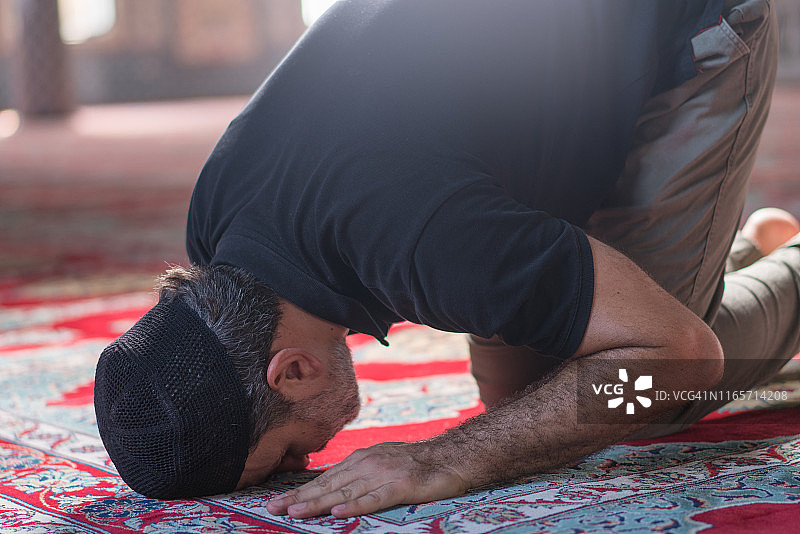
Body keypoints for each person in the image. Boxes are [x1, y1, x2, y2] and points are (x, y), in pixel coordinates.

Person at [93, 0, 795, 519]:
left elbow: (683, 357)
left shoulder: (423, 239)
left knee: (650, 395)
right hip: (540, 84)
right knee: (534, 399)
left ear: (293, 371)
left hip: (683, 30)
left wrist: (443, 459)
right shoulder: (215, 230)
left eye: (284, 455)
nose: (306, 463)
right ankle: (739, 255)